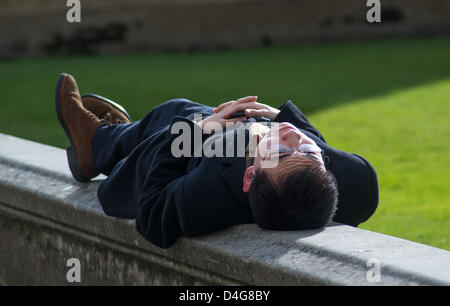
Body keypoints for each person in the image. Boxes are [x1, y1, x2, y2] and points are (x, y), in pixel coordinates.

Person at [55, 73, 379, 248]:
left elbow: (152, 216)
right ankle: (115, 134)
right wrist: (281, 117)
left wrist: (196, 132)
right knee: (178, 114)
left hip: (191, 155)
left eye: (280, 152)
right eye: (309, 153)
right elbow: (309, 147)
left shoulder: (209, 193)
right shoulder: (357, 184)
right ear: (328, 173)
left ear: (249, 176)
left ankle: (96, 146)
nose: (294, 137)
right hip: (235, 134)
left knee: (173, 114)